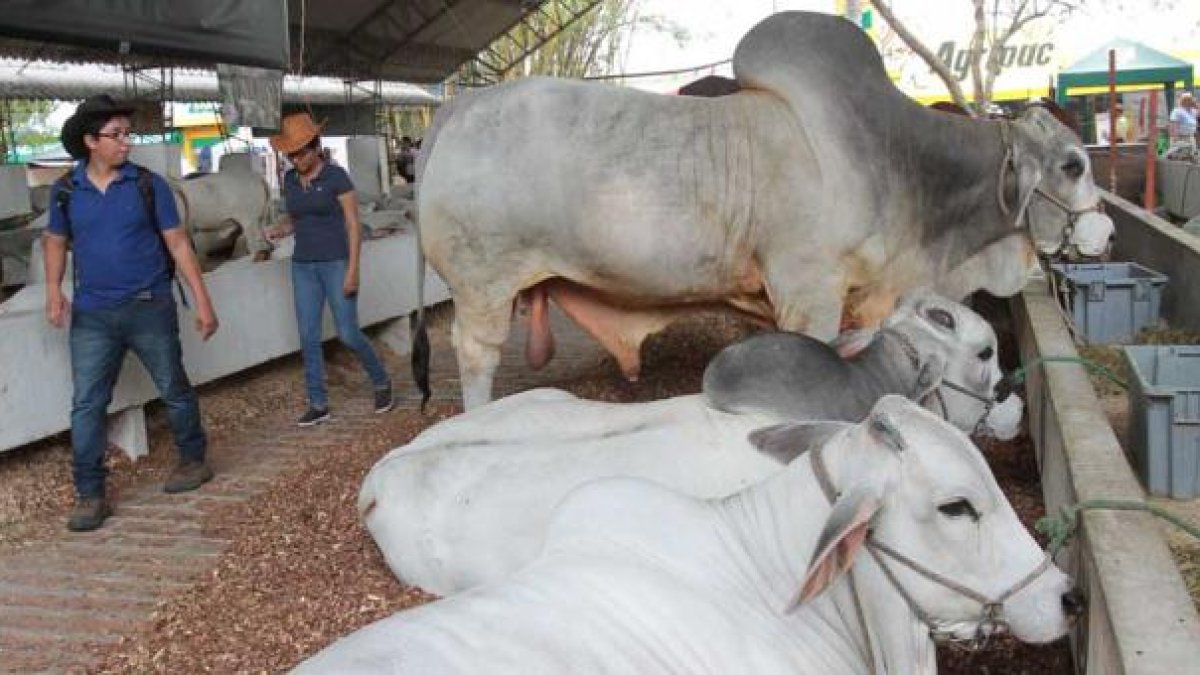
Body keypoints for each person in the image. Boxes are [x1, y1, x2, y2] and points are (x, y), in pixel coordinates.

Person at [44, 95, 220, 532]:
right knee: (86, 404)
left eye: (129, 134)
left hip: (149, 305)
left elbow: (178, 243)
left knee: (173, 387)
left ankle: (193, 460)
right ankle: (90, 493)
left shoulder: (148, 185)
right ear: (90, 141)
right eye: (116, 135)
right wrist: (53, 290)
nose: (127, 143)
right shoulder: (66, 191)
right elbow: (54, 242)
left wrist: (202, 300)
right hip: (92, 315)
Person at [265, 112, 393, 426]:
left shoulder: (337, 177)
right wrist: (280, 228)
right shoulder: (291, 180)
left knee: (348, 333)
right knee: (308, 336)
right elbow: (298, 217)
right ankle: (318, 403)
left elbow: (352, 224)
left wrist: (353, 270)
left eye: (301, 152)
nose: (297, 160)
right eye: (291, 154)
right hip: (303, 266)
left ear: (316, 145)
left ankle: (381, 381)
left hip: (337, 263)